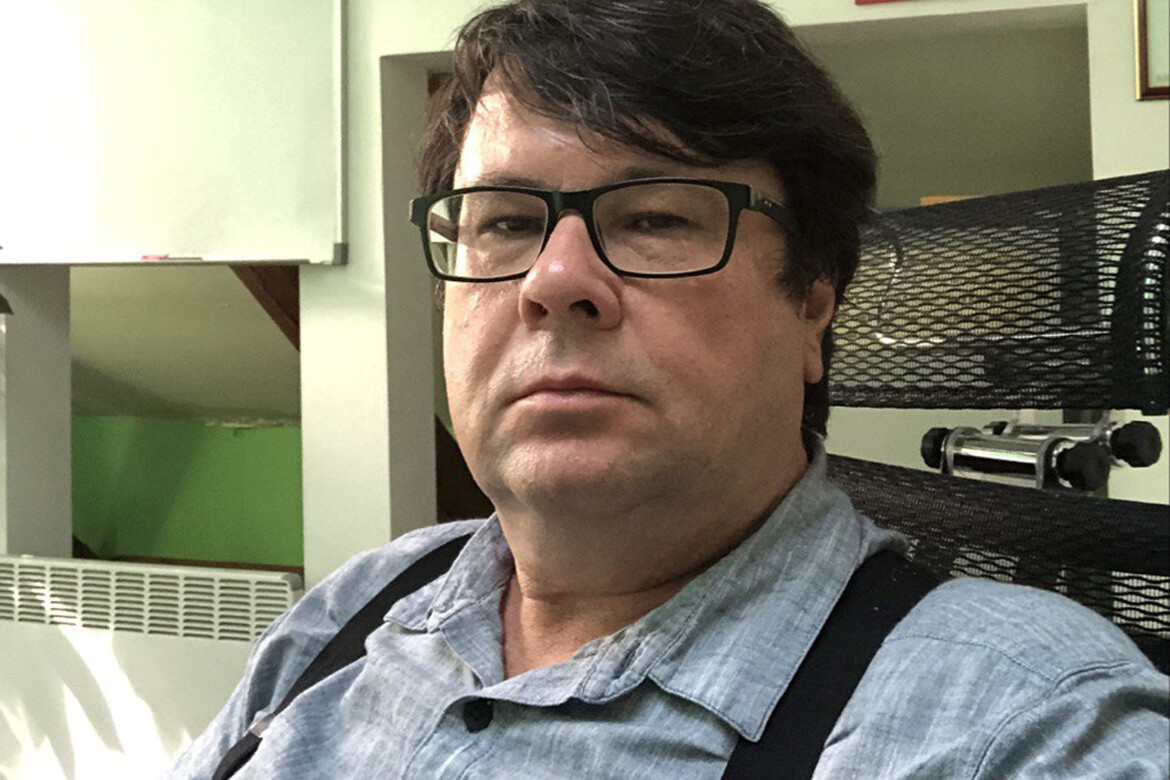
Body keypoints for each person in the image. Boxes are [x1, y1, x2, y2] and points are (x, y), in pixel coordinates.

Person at [168, 0, 1169, 777]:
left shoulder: (1027, 725)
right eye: (505, 223)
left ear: (813, 304)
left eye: (654, 218)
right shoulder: (361, 605)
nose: (554, 280)